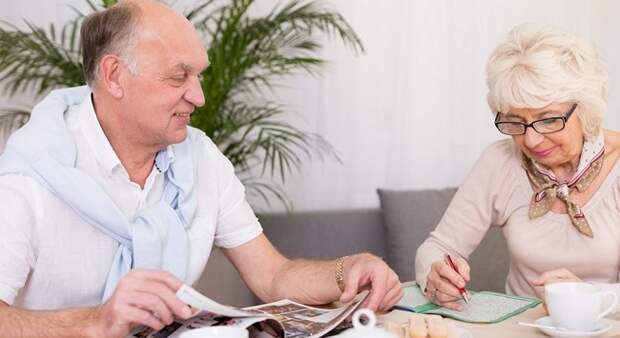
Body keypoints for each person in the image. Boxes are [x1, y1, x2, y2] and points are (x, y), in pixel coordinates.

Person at [0, 1, 402, 337]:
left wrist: (347, 270)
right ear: (114, 76)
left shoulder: (201, 158)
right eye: (179, 76)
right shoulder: (25, 181)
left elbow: (273, 276)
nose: (199, 97)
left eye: (198, 75)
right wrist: (97, 321)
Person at [415, 23, 620, 312]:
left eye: (548, 119)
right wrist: (435, 273)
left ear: (586, 108)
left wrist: (589, 296)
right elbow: (437, 248)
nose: (531, 139)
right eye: (515, 121)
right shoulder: (500, 161)